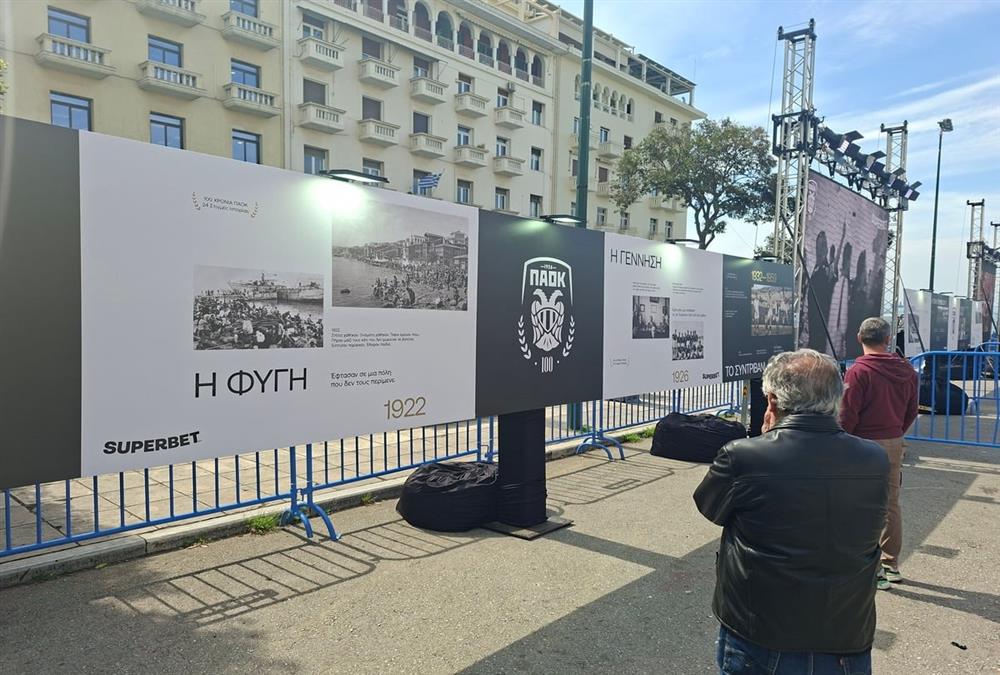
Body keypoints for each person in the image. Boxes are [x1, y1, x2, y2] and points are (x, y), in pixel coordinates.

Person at [694, 349, 889, 674]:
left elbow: (710, 507)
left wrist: (764, 439)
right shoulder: (875, 459)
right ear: (837, 398)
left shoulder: (743, 456)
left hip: (760, 632)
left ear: (772, 401)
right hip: (846, 634)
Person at [841, 317, 919, 591]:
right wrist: (896, 430)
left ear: (859, 338)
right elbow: (912, 410)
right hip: (893, 440)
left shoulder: (857, 372)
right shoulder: (908, 371)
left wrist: (843, 439)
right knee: (890, 503)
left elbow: (847, 414)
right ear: (888, 340)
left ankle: (869, 566)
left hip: (861, 443)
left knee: (859, 504)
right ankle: (891, 563)